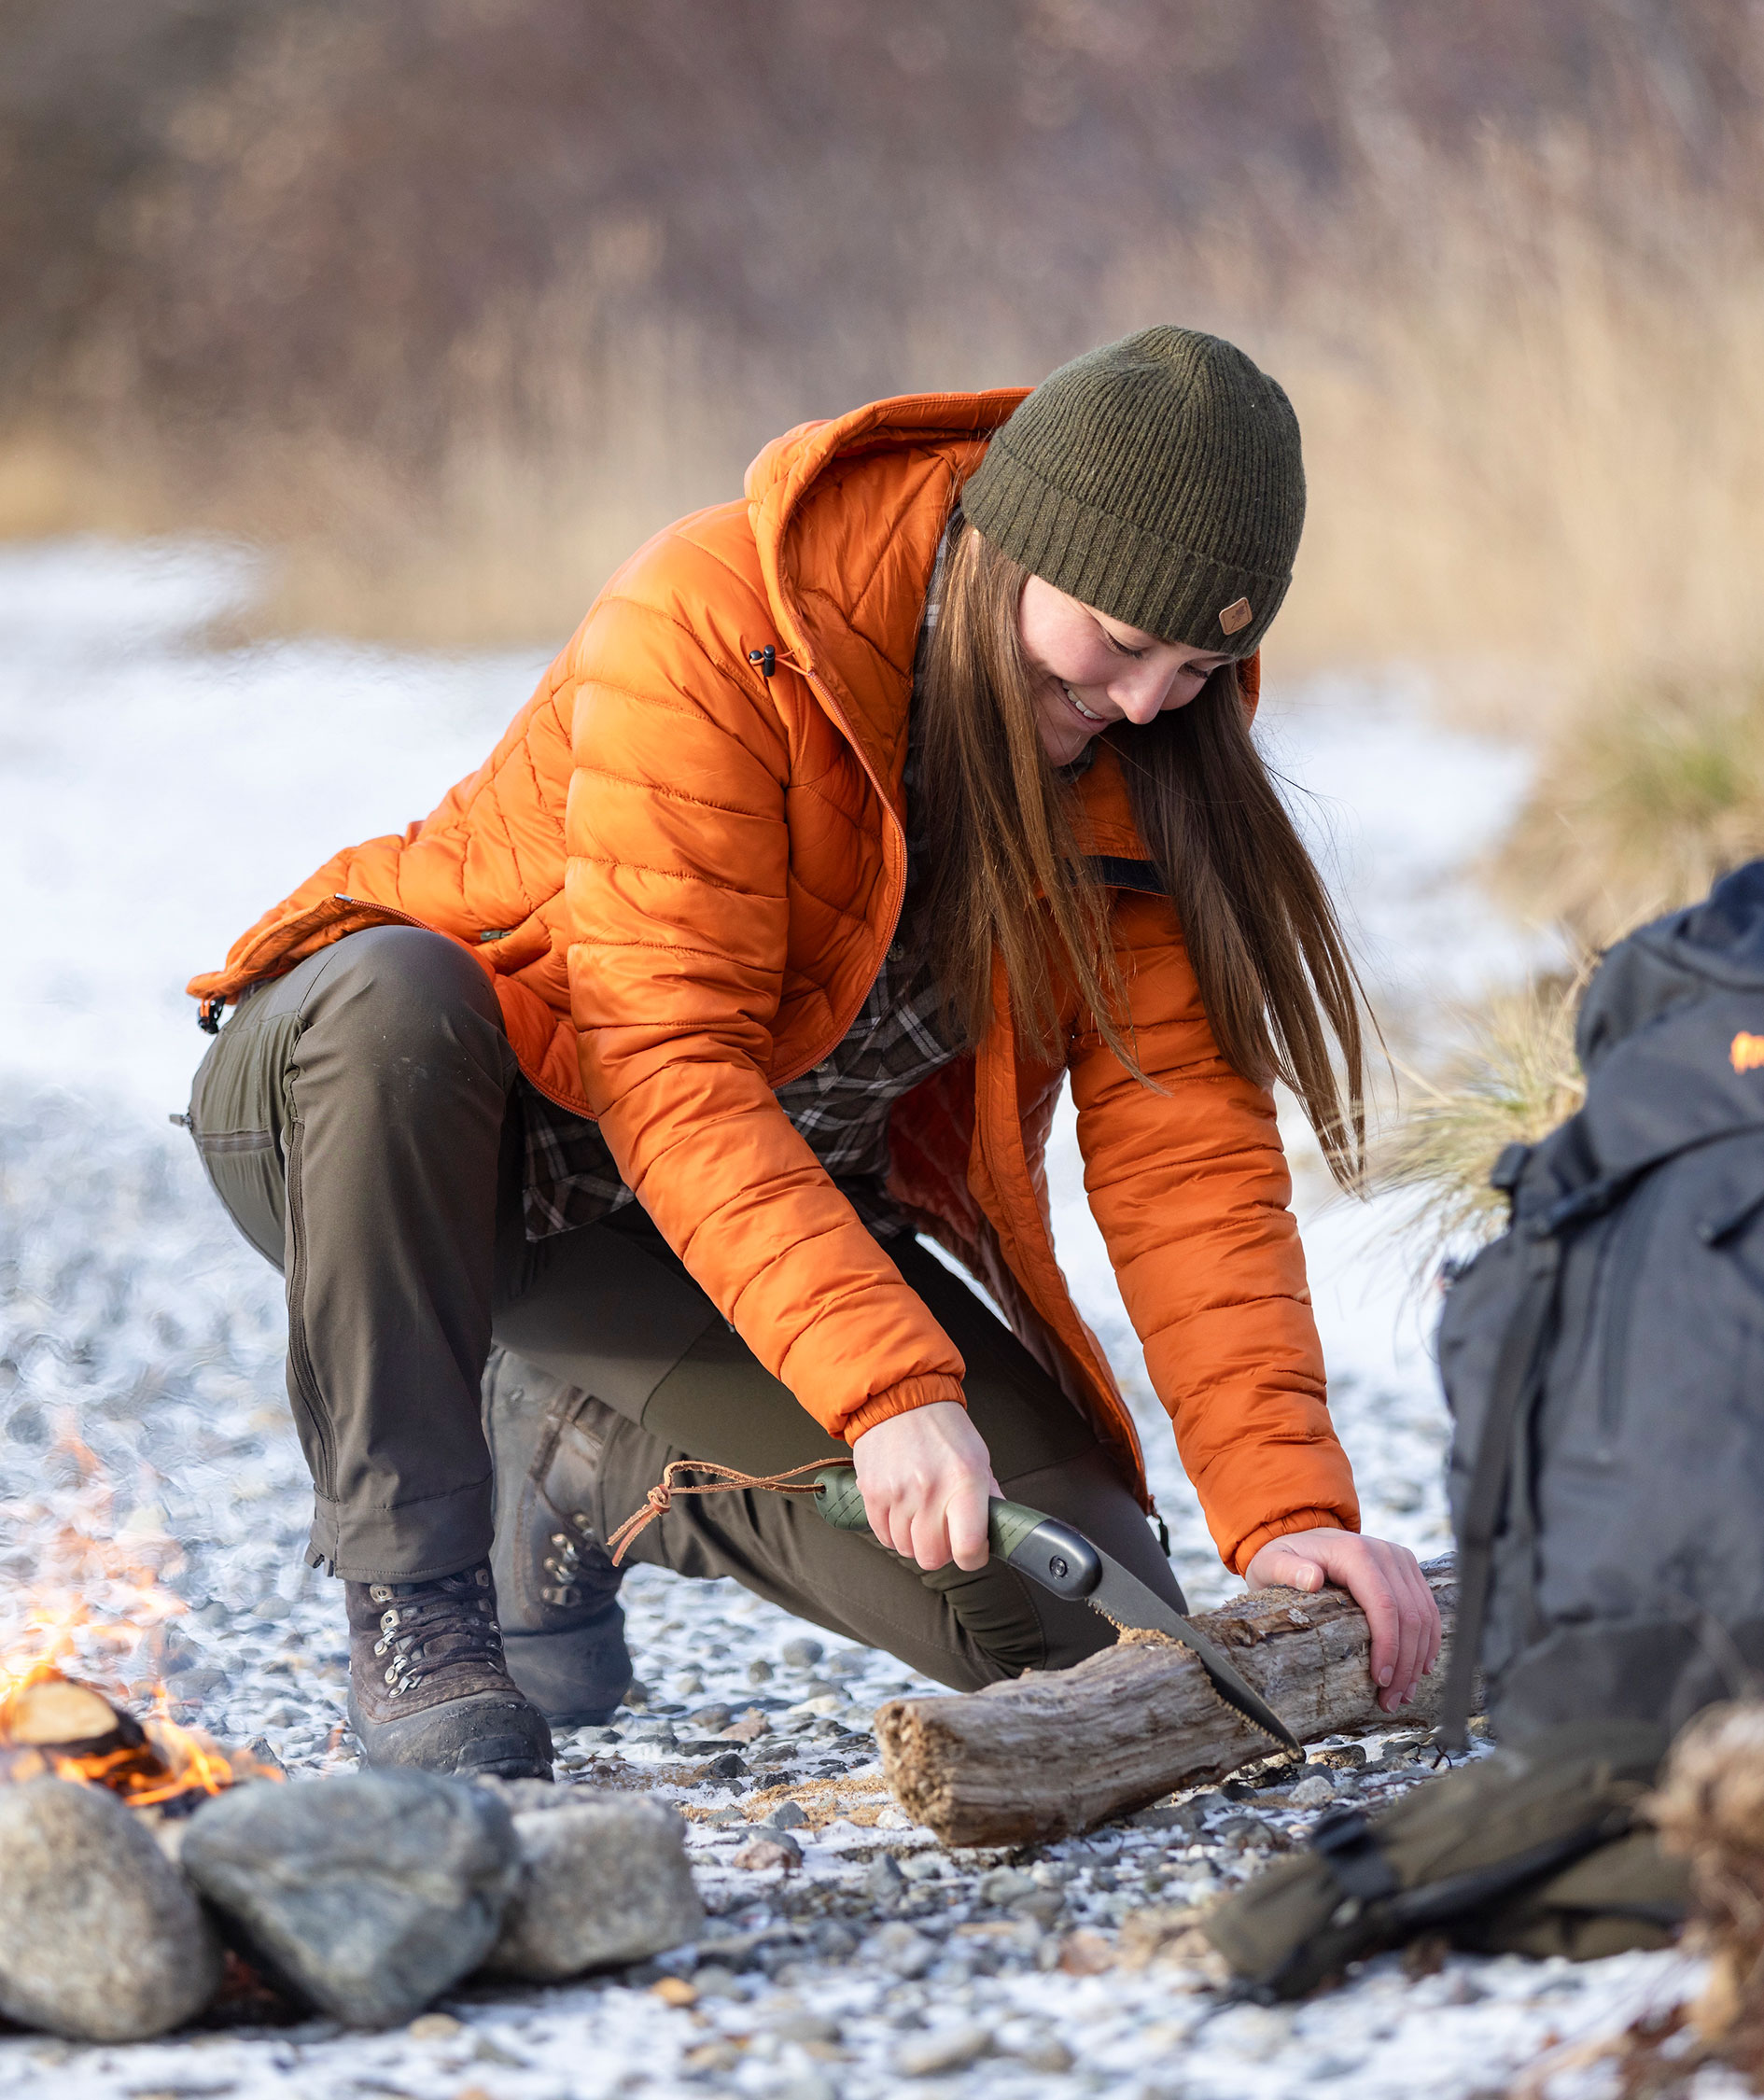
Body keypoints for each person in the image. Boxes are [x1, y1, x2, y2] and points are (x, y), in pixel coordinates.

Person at [185, 328, 1443, 1780]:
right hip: (397, 1137)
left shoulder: (1146, 762)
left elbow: (1186, 1155)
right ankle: (416, 1604)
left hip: (698, 1234)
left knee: (1081, 1629)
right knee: (394, 997)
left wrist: (1285, 1507)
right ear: (1006, 549)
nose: (1153, 699)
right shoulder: (719, 617)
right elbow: (669, 1061)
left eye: (1203, 661)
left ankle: (575, 1449)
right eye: (1121, 642)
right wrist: (888, 1390)